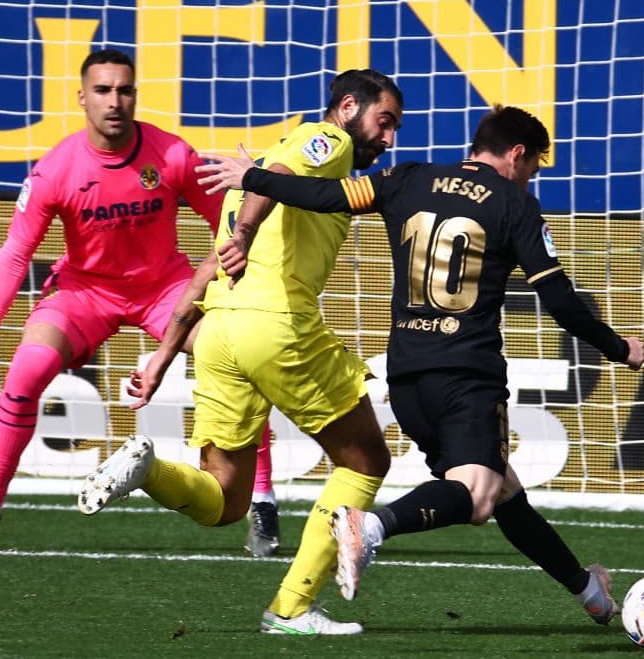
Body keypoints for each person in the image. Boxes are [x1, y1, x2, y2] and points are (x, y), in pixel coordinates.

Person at [194, 104, 644, 627]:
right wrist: (619, 348)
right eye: (533, 167)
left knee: (501, 492)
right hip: (467, 375)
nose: (531, 178)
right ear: (517, 154)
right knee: (476, 496)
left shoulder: (407, 178)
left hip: (407, 376)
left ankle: (590, 591)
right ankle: (373, 527)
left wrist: (254, 176)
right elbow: (561, 301)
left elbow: (325, 196)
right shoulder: (515, 204)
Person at [77, 69, 403, 634]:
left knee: (225, 500)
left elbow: (208, 268)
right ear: (348, 107)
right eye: (385, 121)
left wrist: (161, 356)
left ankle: (150, 470)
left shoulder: (255, 173)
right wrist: (250, 233)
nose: (388, 138)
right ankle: (292, 607)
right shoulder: (322, 143)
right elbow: (276, 176)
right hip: (275, 325)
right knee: (366, 460)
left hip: (220, 332)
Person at [0, 48, 281, 555]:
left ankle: (263, 504)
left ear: (135, 95)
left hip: (164, 288)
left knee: (239, 359)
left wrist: (238, 283)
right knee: (27, 370)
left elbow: (226, 220)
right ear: (82, 98)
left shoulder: (172, 155)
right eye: (103, 90)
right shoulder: (55, 170)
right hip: (85, 292)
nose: (114, 101)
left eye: (124, 90)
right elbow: (13, 255)